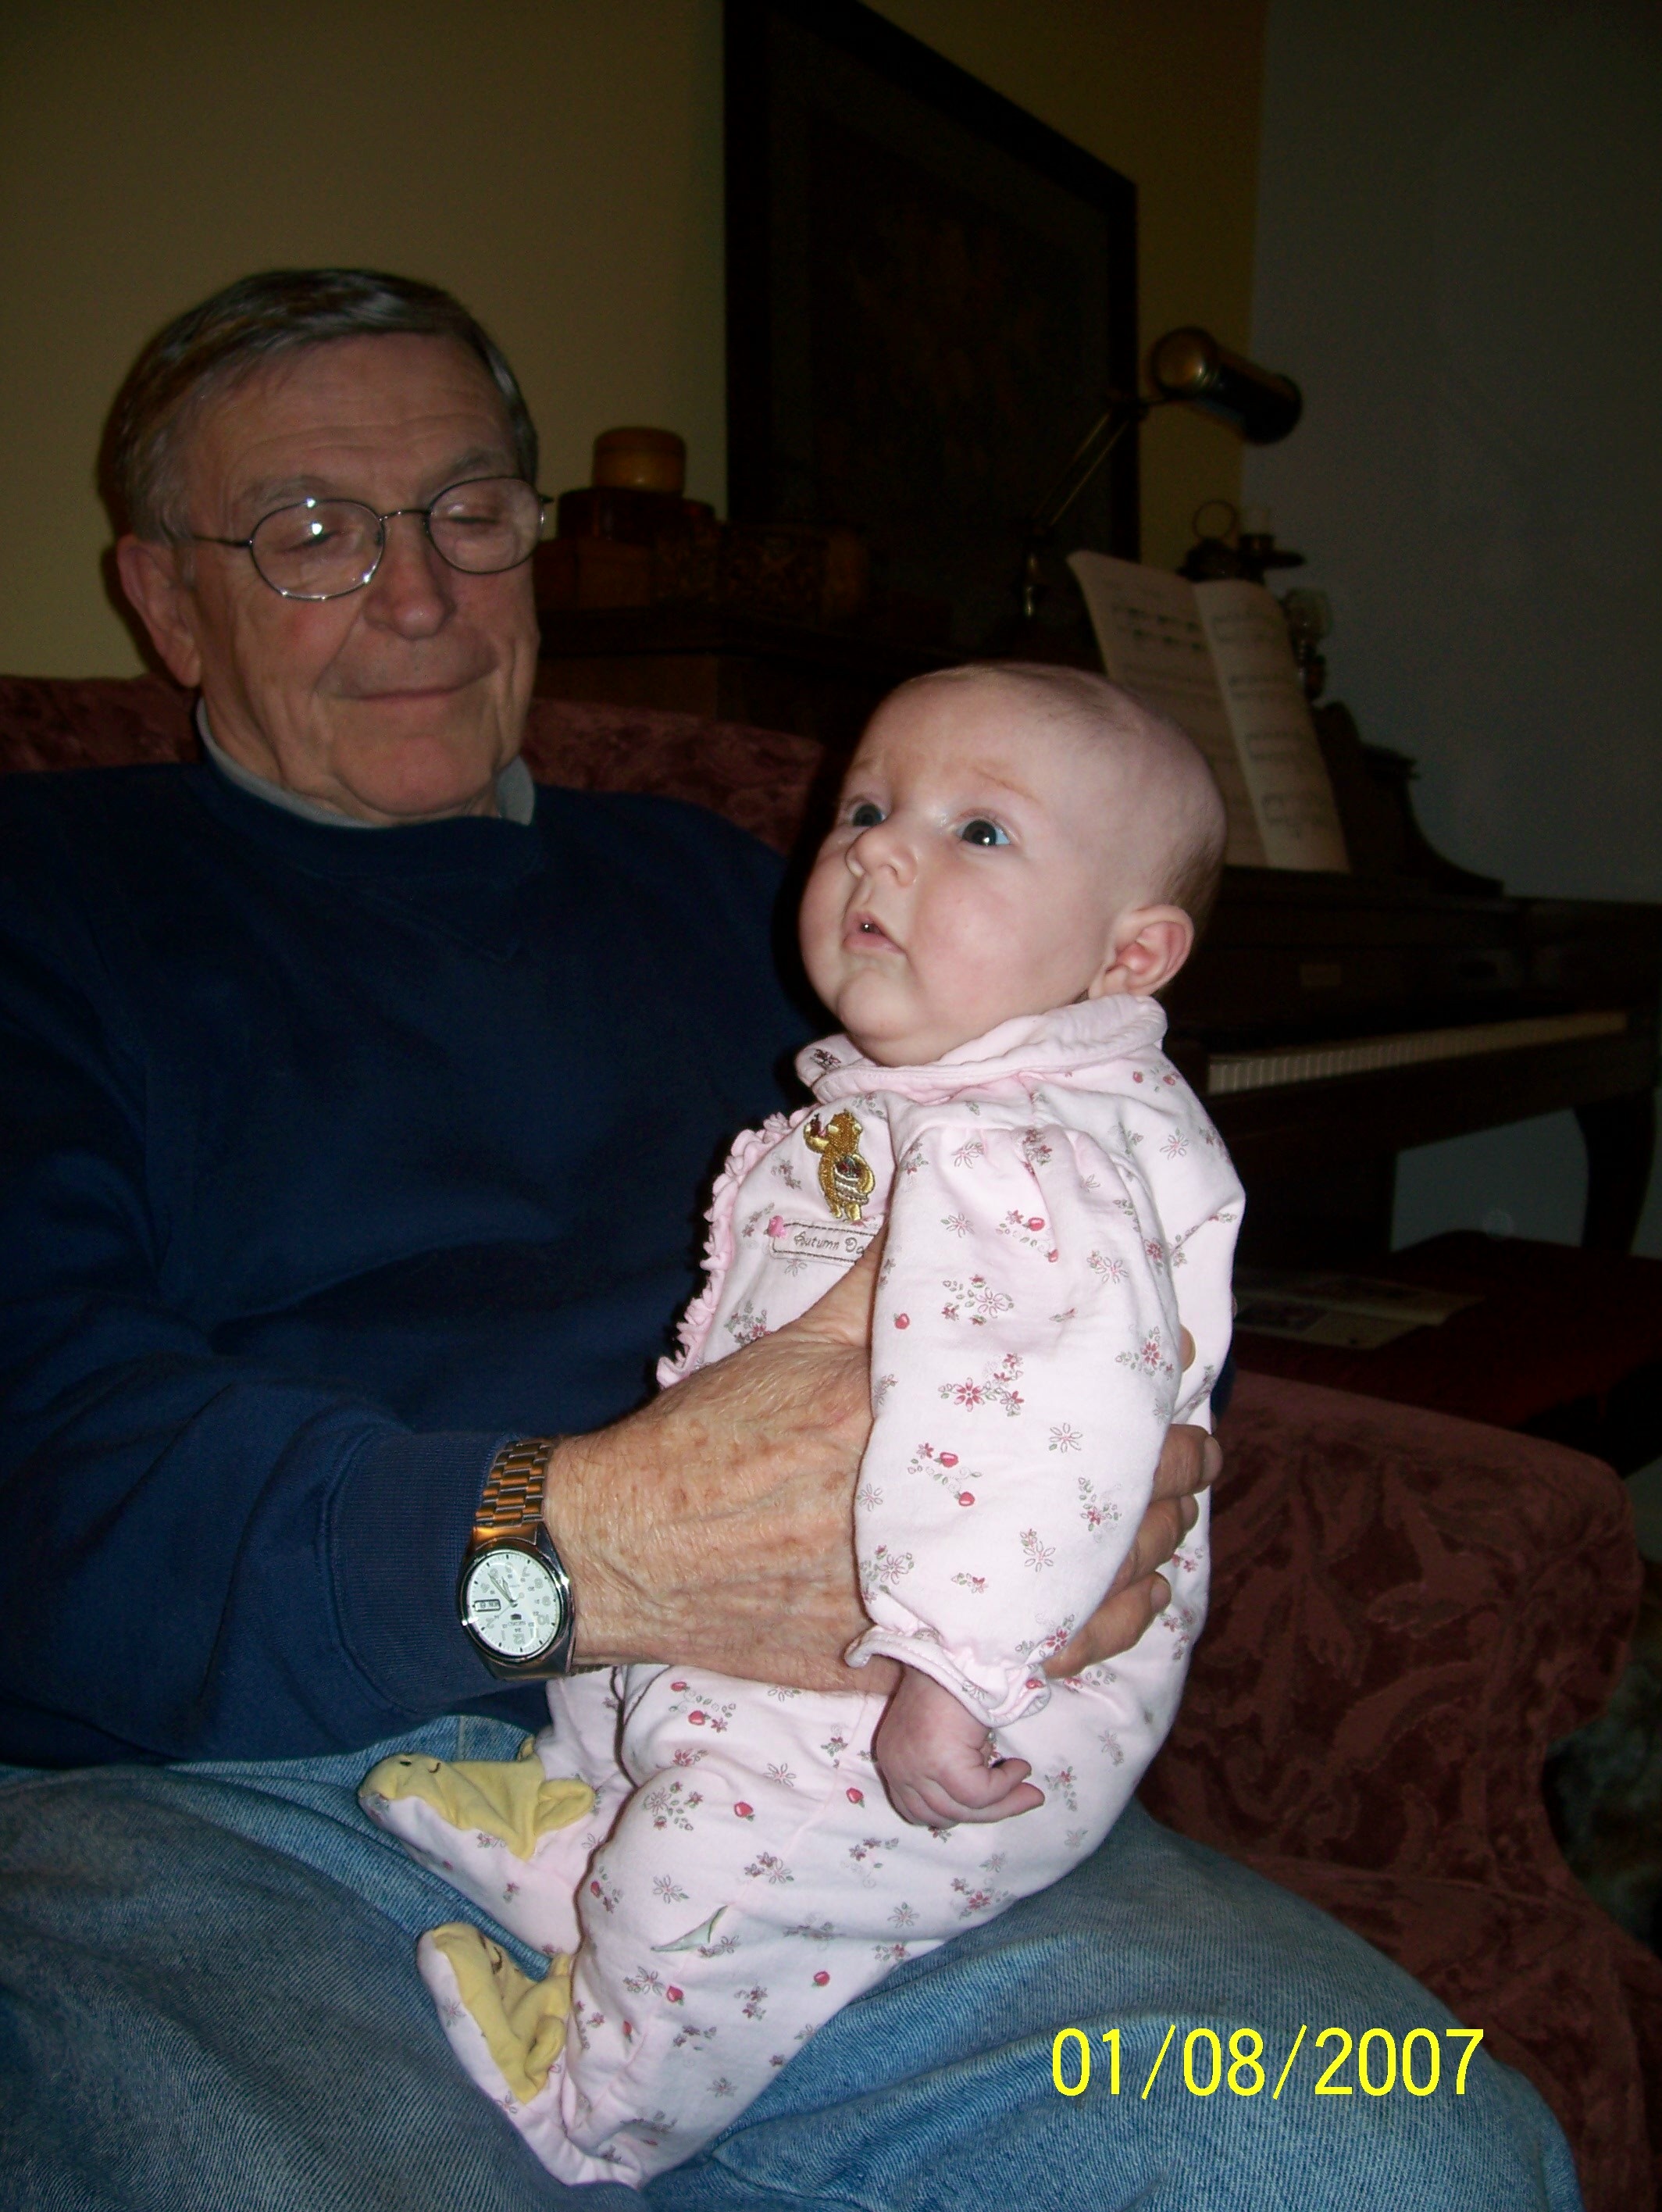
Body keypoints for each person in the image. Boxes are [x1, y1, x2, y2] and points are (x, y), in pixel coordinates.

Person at [0, 269, 1582, 2212]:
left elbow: (1071, 1213)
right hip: (230, 1792)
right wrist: (579, 1553)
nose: (416, 596)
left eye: (470, 512)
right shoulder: (42, 902)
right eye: (314, 531)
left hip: (859, 1775)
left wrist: (1064, 1497)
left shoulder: (745, 893)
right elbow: (36, 1470)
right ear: (166, 599)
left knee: (1406, 2150)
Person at [365, 663, 1245, 2186]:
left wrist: (954, 1672)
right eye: (864, 808)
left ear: (1128, 957)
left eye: (979, 833)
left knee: (723, 1858)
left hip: (963, 1694)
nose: (881, 850)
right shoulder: (938, 1104)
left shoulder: (1026, 1152)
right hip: (815, 1633)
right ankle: (581, 1852)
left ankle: (601, 2103)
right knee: (639, 1699)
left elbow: (1050, 1437)